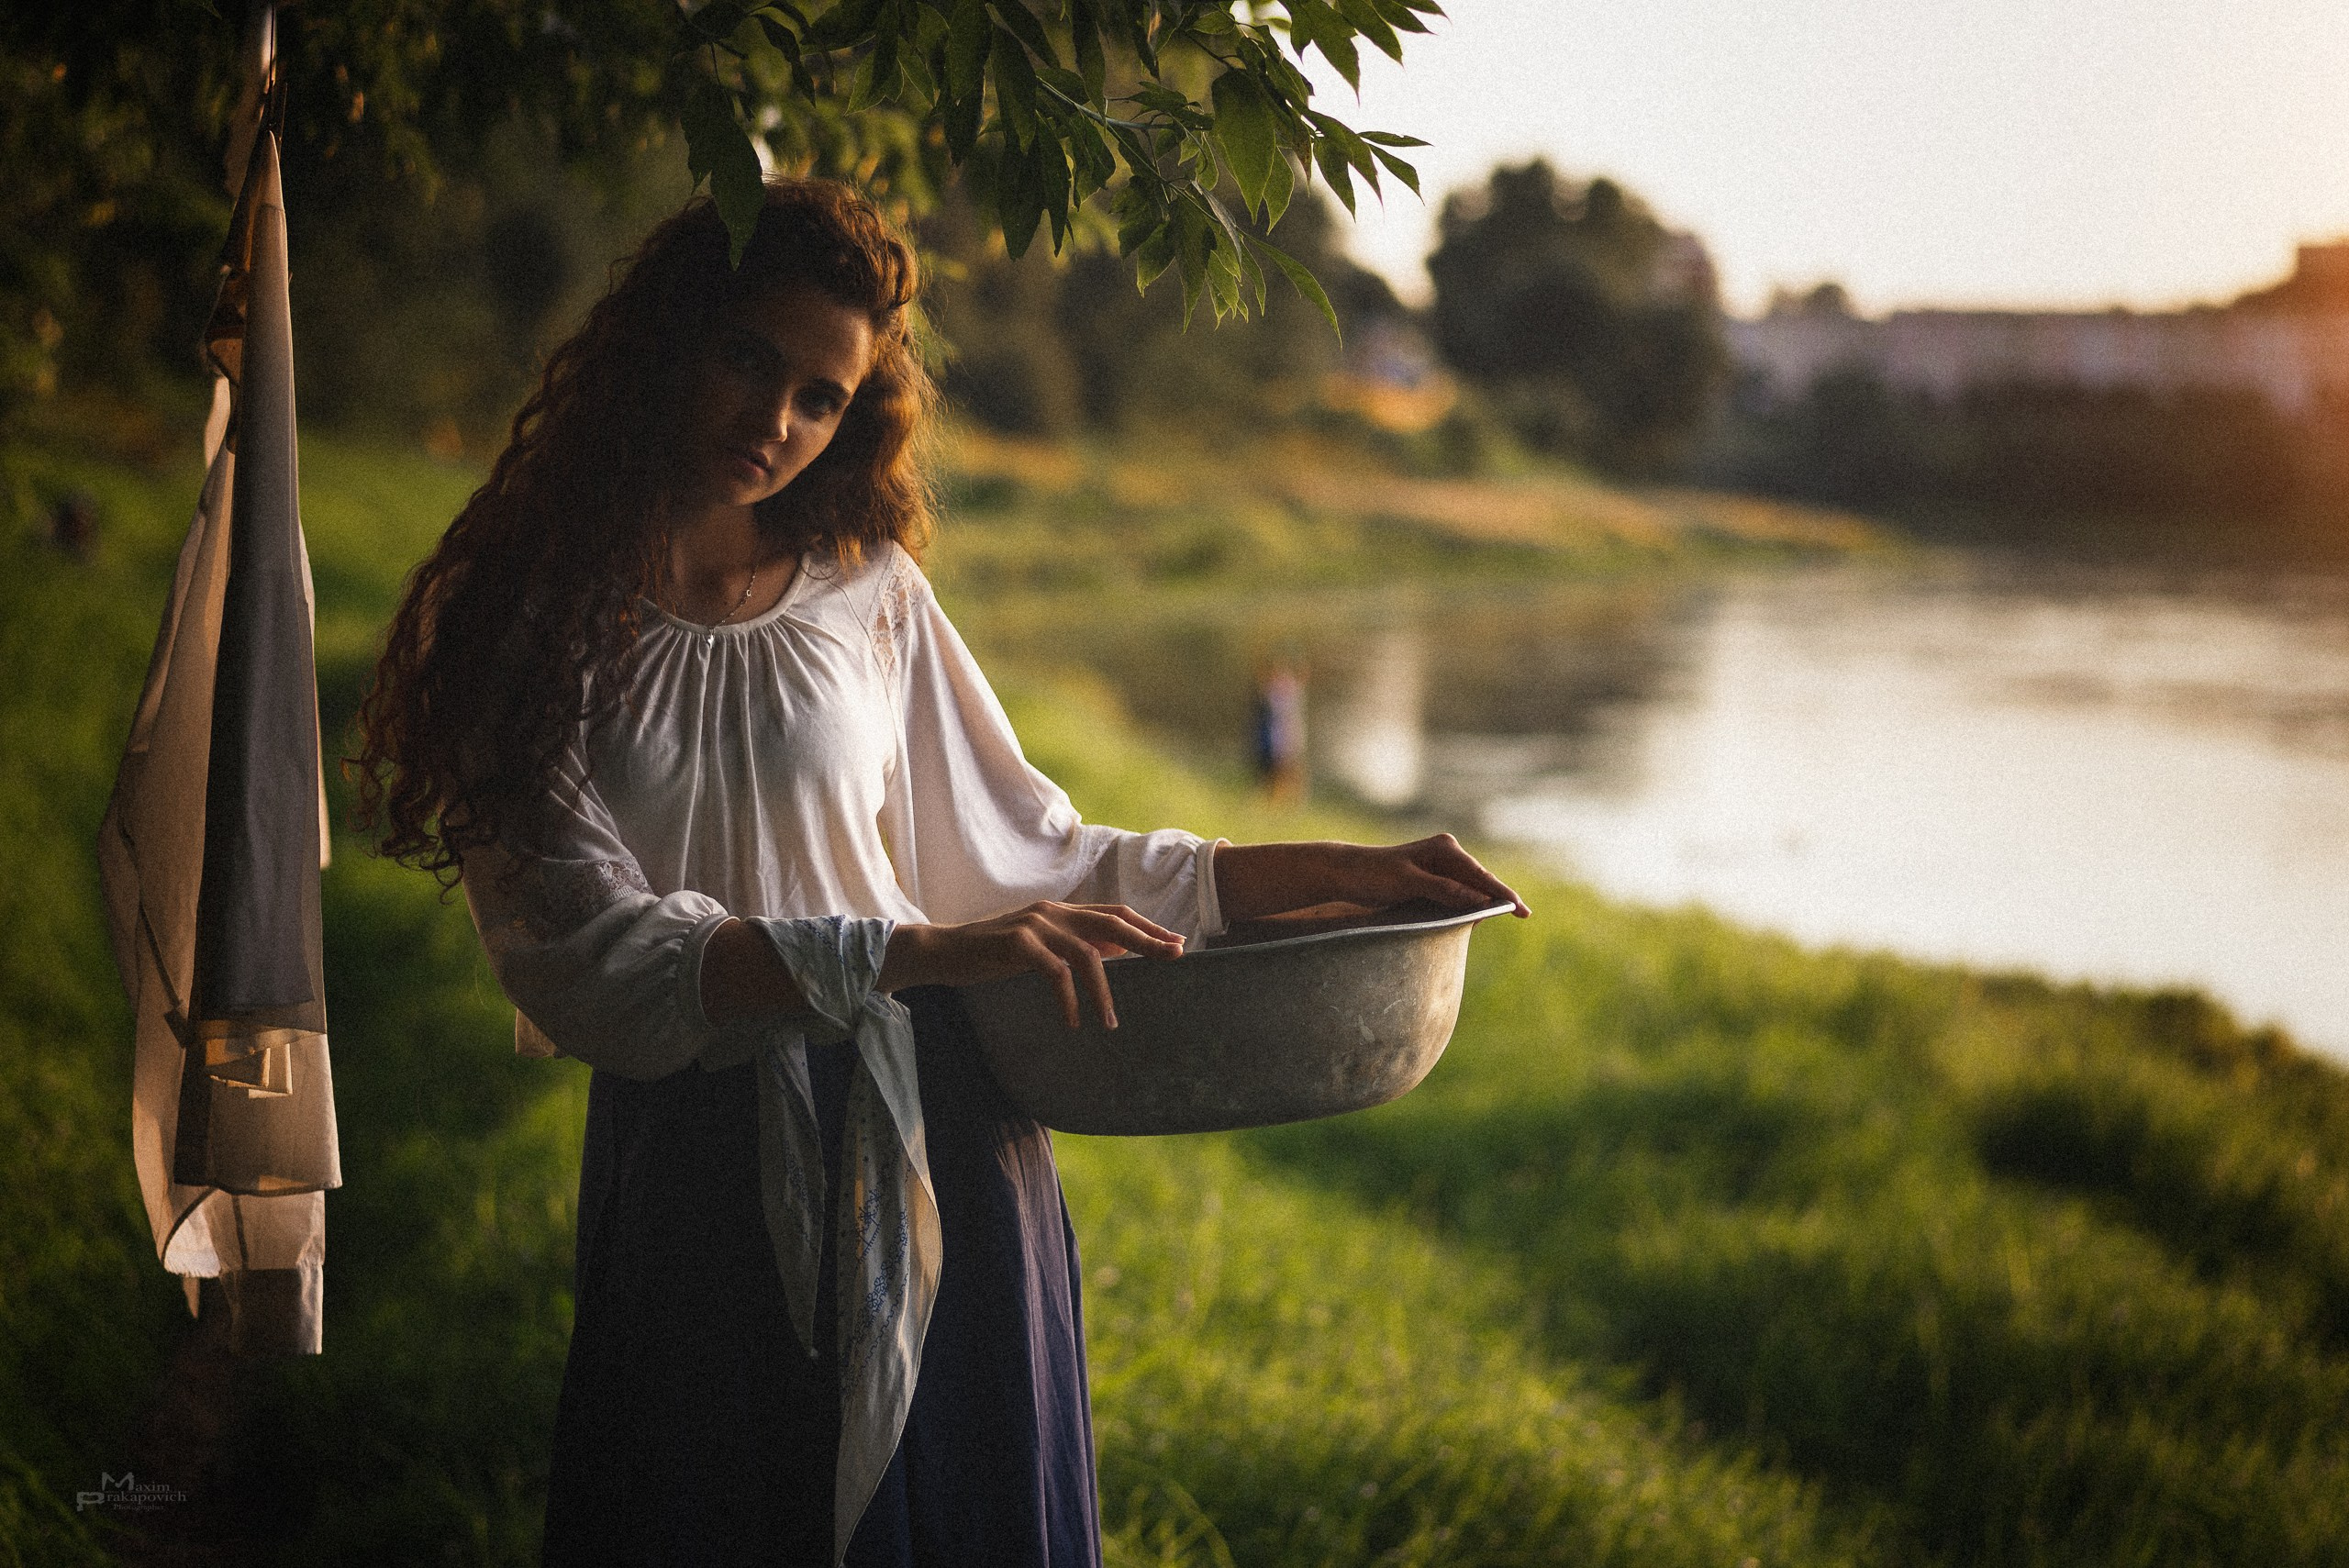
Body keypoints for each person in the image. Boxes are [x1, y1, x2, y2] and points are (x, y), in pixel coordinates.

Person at [354, 178, 1524, 1568]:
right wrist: (906, 953)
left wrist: (1339, 867)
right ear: (669, 336)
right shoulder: (523, 623)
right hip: (697, 1188)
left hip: (944, 1154)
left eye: (821, 397)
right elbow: (601, 954)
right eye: (749, 359)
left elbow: (1047, 855)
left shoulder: (866, 589)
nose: (774, 422)